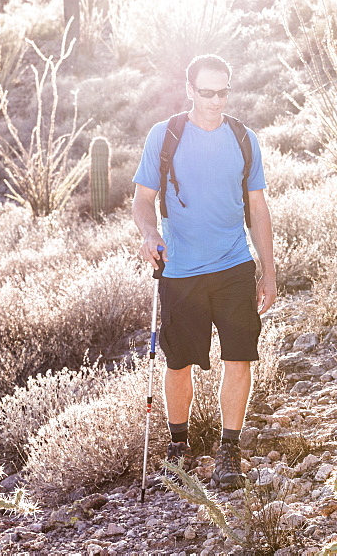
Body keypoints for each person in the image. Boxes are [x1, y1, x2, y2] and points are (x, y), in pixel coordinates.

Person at [132, 54, 276, 490]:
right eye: (207, 91)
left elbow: (258, 207)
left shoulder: (243, 138)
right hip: (180, 268)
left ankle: (228, 452)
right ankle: (179, 447)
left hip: (234, 264)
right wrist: (148, 233)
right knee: (178, 364)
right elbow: (142, 199)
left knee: (240, 357)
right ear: (190, 90)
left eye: (224, 91)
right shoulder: (166, 135)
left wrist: (268, 272)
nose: (216, 100)